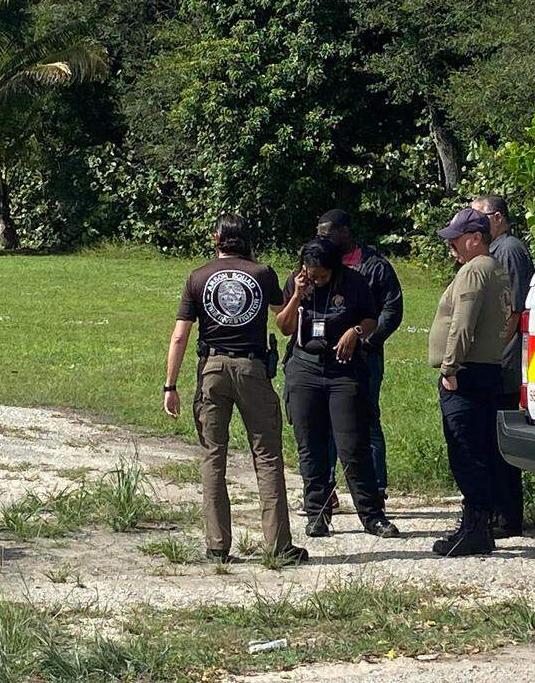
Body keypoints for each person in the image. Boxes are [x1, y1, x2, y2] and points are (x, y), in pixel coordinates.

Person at [163, 214, 307, 565]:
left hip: (211, 368)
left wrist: (170, 384)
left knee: (214, 456)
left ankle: (216, 545)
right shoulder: (262, 274)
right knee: (267, 455)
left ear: (217, 239)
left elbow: (180, 334)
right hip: (253, 368)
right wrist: (299, 296)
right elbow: (281, 316)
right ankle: (278, 545)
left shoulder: (197, 277)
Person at [277, 237, 400, 539]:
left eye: (321, 275)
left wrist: (355, 332)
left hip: (343, 371)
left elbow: (371, 318)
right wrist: (297, 296)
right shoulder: (296, 282)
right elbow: (284, 326)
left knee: (352, 445)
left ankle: (372, 516)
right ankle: (317, 512)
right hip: (305, 367)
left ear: (334, 268)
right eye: (310, 273)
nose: (315, 279)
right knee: (311, 444)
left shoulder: (354, 283)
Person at [428, 208, 513, 556]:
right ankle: (481, 524)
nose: (452, 247)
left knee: (465, 450)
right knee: (482, 449)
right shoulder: (496, 269)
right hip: (489, 368)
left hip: (467, 373)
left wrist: (450, 367)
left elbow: (462, 323)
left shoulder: (474, 271)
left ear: (475, 238)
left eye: (456, 240)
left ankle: (475, 528)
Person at [316, 209, 403, 505]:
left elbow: (391, 310)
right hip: (324, 359)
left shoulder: (375, 266)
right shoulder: (319, 263)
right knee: (324, 422)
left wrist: (366, 342)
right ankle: (325, 491)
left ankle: (375, 489)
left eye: (326, 234)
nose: (321, 239)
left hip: (365, 357)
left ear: (345, 232)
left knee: (366, 418)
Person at [471, 194, 535, 538]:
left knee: (500, 440)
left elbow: (513, 308)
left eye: (478, 215)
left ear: (496, 218)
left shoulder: (508, 250)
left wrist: (495, 349)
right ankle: (497, 510)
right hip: (497, 357)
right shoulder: (495, 250)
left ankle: (508, 516)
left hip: (504, 360)